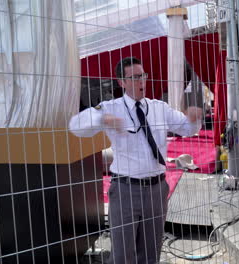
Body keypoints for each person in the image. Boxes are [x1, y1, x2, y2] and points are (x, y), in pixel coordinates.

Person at [69, 57, 202, 264]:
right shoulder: (110, 107)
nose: (142, 81)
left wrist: (194, 119)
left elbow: (187, 128)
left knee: (151, 253)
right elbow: (75, 126)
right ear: (122, 82)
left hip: (156, 189)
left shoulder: (159, 107)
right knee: (122, 255)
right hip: (125, 190)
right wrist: (102, 119)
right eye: (135, 77)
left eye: (143, 76)